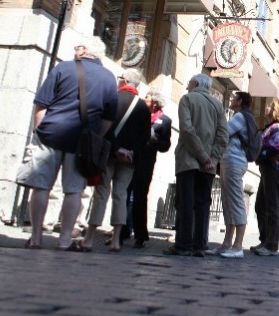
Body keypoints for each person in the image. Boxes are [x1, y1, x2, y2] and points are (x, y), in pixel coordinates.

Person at [15, 38, 117, 251]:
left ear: (85, 50)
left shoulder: (63, 68)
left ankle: (36, 238)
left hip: (51, 133)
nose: (75, 50)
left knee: (41, 186)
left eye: (77, 47)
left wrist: (38, 130)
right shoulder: (109, 78)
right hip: (81, 140)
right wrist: (95, 136)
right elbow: (109, 117)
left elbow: (42, 104)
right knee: (74, 190)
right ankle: (64, 241)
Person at [82, 68, 151, 253]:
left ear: (124, 81)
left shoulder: (113, 99)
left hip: (109, 154)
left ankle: (89, 238)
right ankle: (116, 240)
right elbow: (145, 136)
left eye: (120, 77)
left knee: (101, 193)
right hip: (129, 160)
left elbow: (105, 127)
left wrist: (116, 148)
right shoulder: (143, 107)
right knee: (121, 195)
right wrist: (131, 151)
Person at [162, 74, 228, 257]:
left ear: (196, 83)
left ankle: (183, 245)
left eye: (189, 83)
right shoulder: (218, 105)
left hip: (188, 160)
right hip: (208, 166)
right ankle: (200, 244)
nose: (187, 86)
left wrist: (203, 156)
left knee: (186, 202)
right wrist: (212, 159)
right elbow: (223, 137)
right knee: (202, 204)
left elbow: (187, 130)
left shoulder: (187, 99)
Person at [124, 89, 173, 249]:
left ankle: (140, 235)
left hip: (146, 162)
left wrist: (154, 140)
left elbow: (165, 145)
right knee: (124, 193)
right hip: (130, 158)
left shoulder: (164, 121)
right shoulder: (138, 114)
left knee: (140, 196)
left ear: (155, 102)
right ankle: (122, 231)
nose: (144, 99)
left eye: (147, 97)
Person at [215, 91, 255, 258]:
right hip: (230, 161)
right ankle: (227, 244)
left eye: (233, 98)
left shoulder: (240, 117)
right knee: (227, 202)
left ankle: (238, 246)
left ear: (239, 101)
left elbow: (223, 132)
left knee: (236, 202)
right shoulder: (242, 116)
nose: (231, 100)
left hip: (234, 161)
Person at [250, 99, 279, 257]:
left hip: (273, 169)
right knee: (261, 206)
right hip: (269, 169)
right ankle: (265, 240)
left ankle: (271, 245)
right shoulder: (273, 128)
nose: (267, 107)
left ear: (276, 111)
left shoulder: (277, 129)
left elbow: (276, 149)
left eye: (271, 106)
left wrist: (259, 156)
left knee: (272, 206)